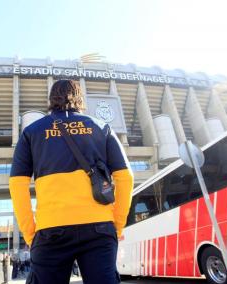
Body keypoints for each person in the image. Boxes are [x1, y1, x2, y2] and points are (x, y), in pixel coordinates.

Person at [10, 79, 134, 283]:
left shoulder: (31, 132)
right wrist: (116, 225)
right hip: (99, 227)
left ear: (51, 100)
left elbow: (17, 184)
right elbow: (125, 177)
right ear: (80, 99)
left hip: (51, 229)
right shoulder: (102, 127)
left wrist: (31, 234)